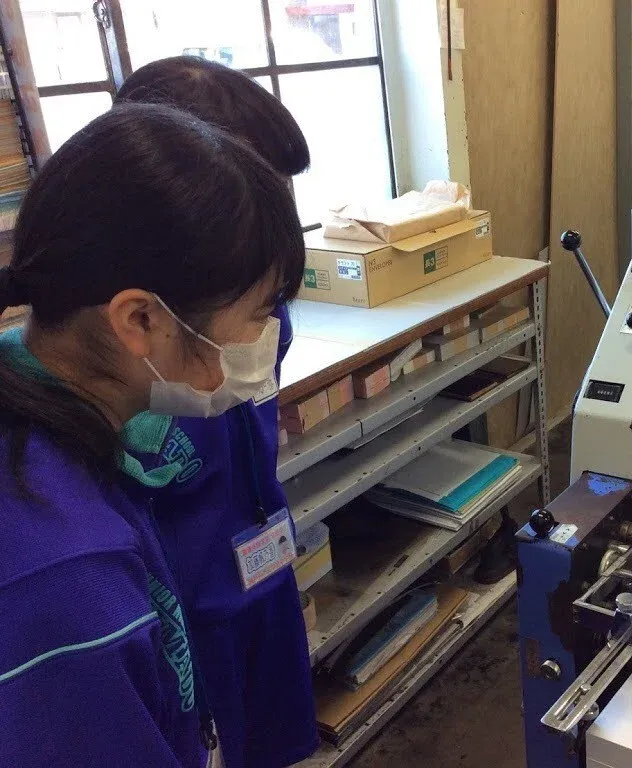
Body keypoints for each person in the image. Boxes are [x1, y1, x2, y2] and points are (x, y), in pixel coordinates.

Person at [0, 103, 304, 767]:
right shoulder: (70, 583)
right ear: (140, 319)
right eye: (259, 313)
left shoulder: (64, 434)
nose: (269, 335)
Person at [115, 57, 319, 768]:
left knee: (278, 740)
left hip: (265, 561)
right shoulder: (135, 357)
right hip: (189, 606)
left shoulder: (261, 307)